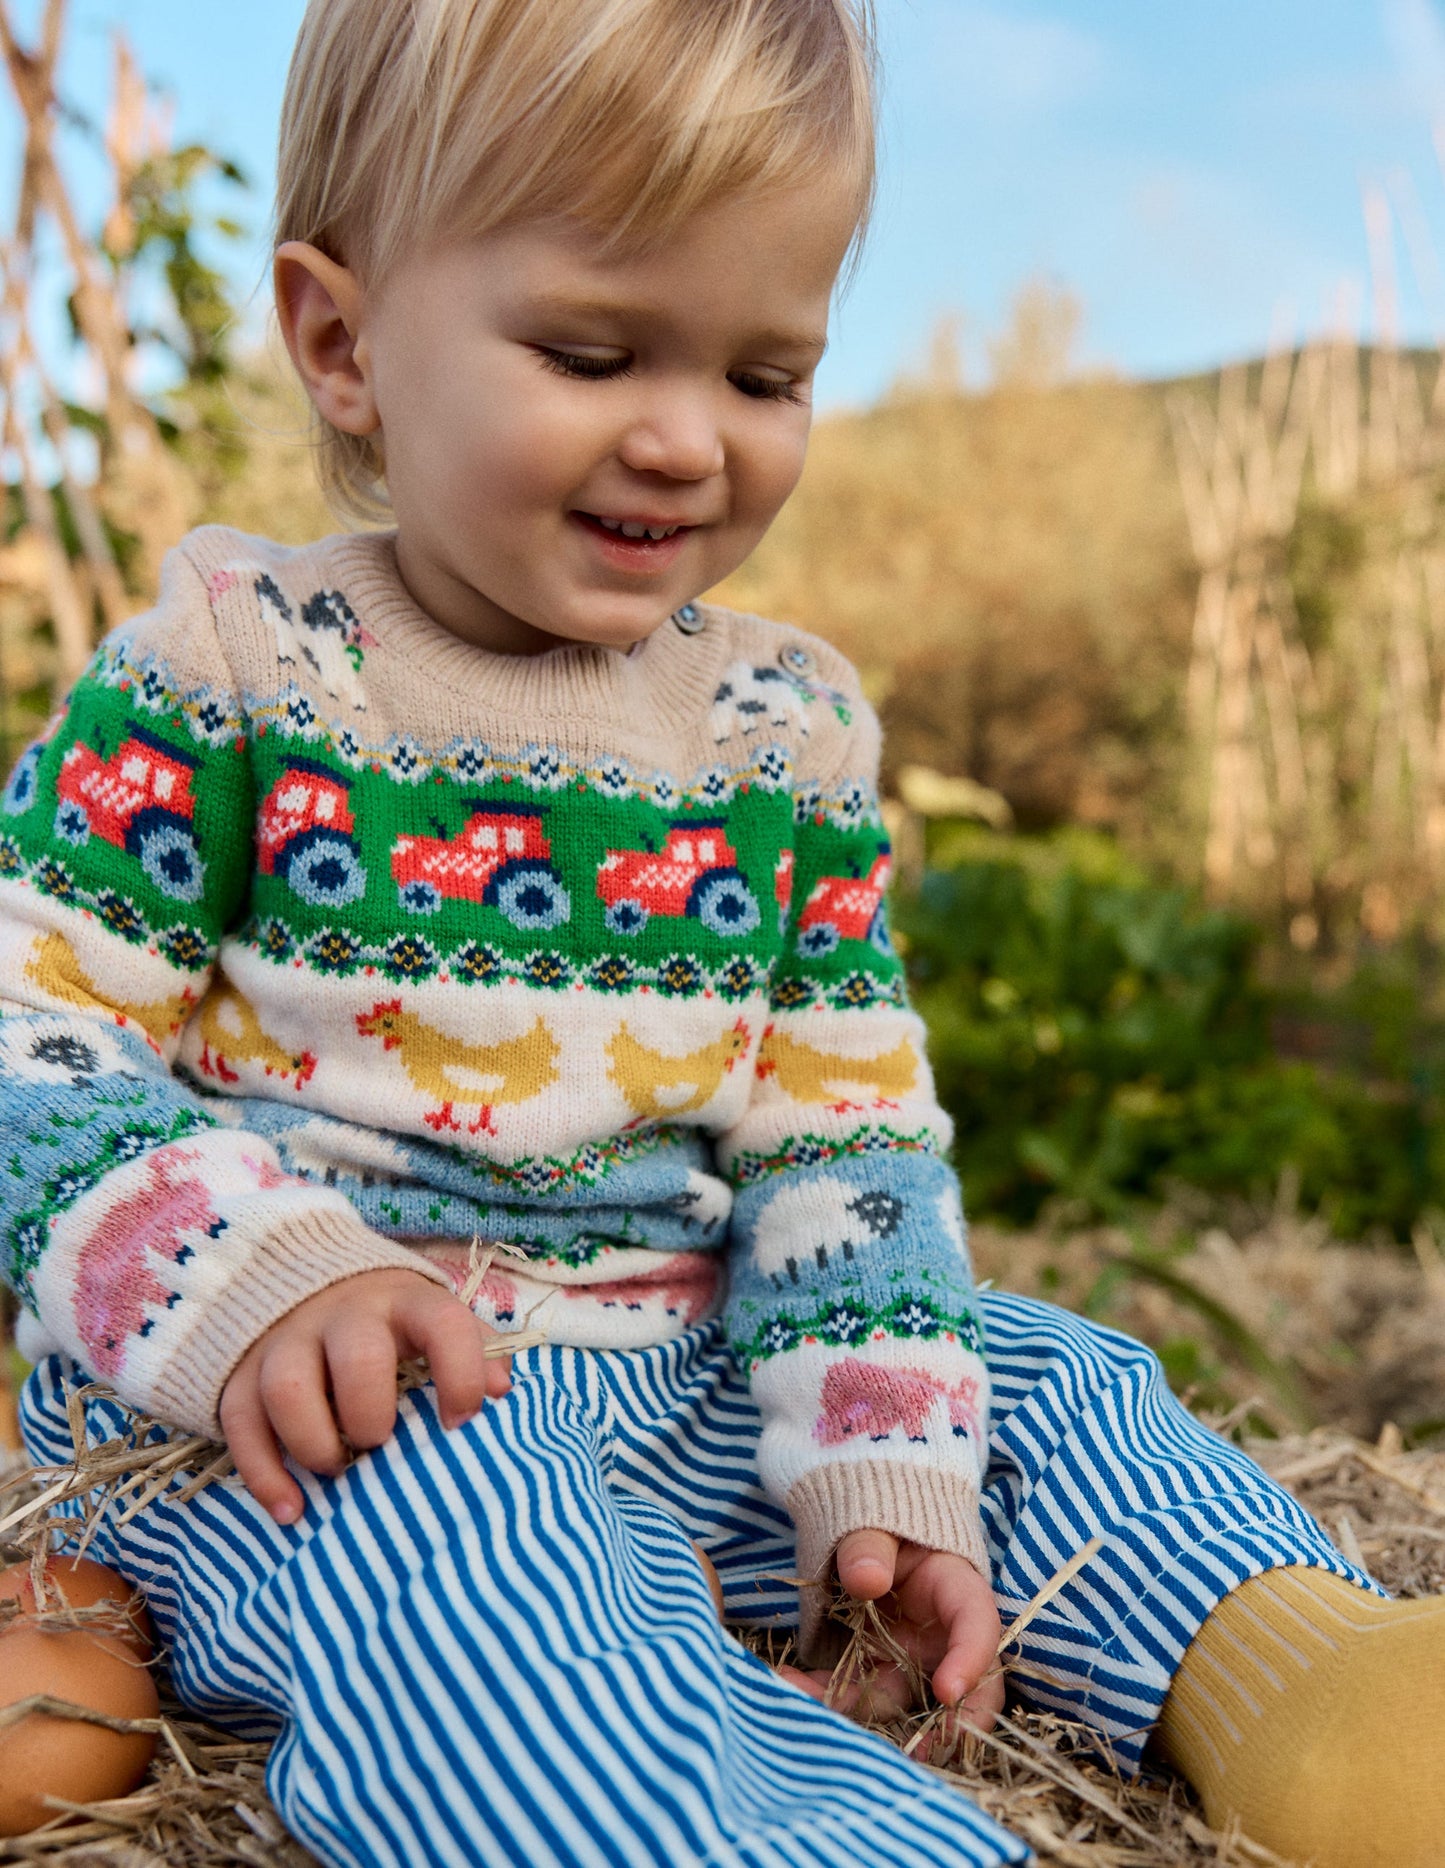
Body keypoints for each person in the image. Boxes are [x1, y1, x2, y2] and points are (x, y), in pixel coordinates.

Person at [3, 4, 1439, 1864]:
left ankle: (1317, 1696)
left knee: (1043, 1380)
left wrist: (880, 1441)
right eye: (592, 352)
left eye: (766, 376)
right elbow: (30, 1012)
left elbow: (836, 1129)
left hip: (682, 1385)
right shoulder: (234, 665)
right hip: (341, 1411)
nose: (687, 441)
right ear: (343, 343)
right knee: (476, 1591)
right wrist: (265, 1283)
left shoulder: (785, 727)